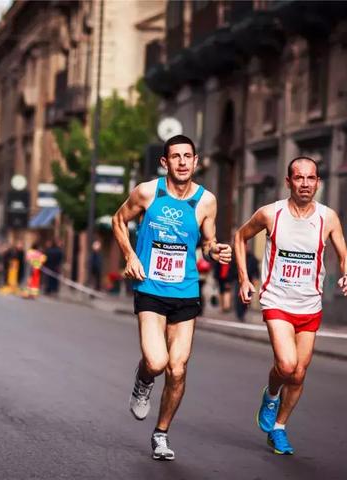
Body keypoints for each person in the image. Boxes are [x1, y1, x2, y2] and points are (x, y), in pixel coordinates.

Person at [112, 134, 232, 461]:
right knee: (157, 362)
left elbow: (208, 242)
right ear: (165, 162)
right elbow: (118, 220)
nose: (182, 162)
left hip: (185, 290)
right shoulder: (148, 192)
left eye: (187, 156)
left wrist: (215, 249)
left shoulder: (206, 201)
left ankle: (161, 433)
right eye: (175, 156)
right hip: (150, 288)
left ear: (195, 161)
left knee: (177, 369)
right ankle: (143, 379)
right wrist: (130, 257)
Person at [234, 156, 347, 455]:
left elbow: (345, 255)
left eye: (310, 178)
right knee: (287, 365)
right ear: (288, 182)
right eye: (298, 178)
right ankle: (272, 394)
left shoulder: (328, 218)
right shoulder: (270, 214)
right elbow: (240, 237)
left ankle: (279, 428)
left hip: (310, 306)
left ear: (318, 182)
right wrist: (243, 279)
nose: (305, 183)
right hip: (277, 301)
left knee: (299, 374)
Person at [230, 244, 260, 321]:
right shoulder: (237, 257)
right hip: (238, 280)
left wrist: (256, 278)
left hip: (249, 280)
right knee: (238, 297)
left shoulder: (252, 258)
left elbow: (256, 269)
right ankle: (239, 314)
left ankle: (243, 313)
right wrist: (230, 279)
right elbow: (232, 269)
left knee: (247, 297)